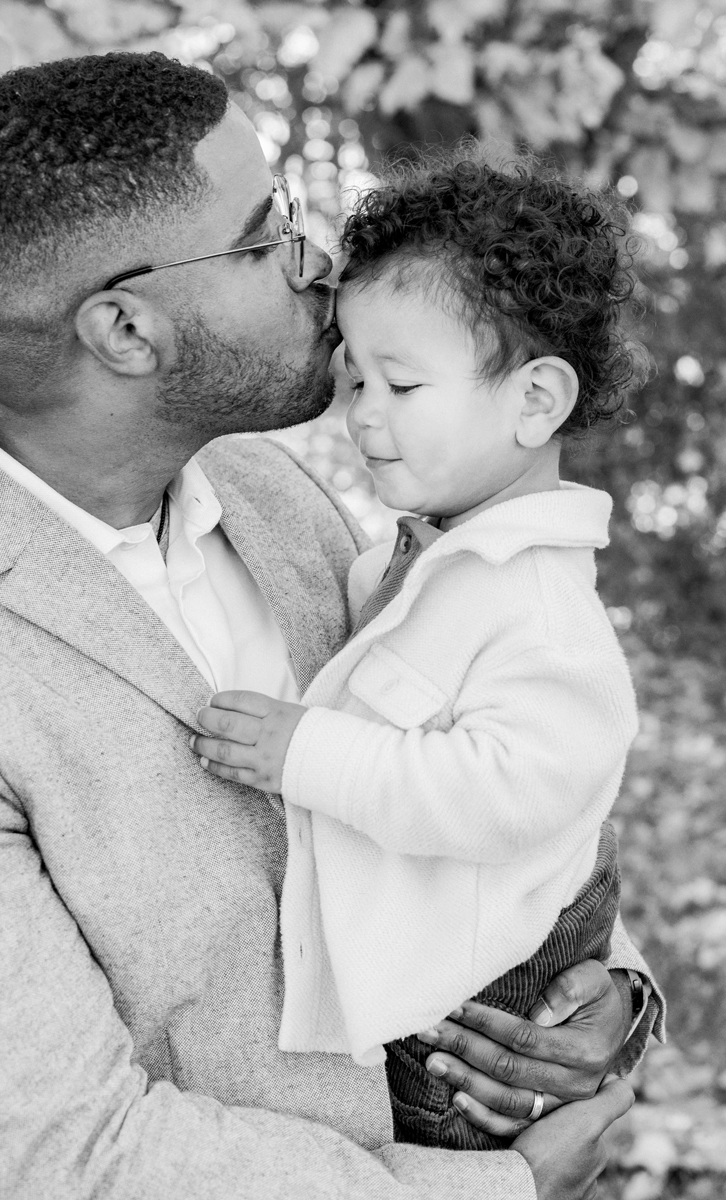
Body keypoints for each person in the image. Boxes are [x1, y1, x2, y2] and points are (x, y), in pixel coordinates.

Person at [0, 51, 655, 1200]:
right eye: (266, 238)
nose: (321, 263)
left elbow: (492, 749)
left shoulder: (269, 492)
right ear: (125, 328)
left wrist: (596, 996)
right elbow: (67, 1153)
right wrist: (501, 1190)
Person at [190, 148, 663, 1151]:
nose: (361, 416)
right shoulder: (416, 560)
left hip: (460, 1032)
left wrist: (307, 754)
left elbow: (511, 797)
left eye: (400, 385)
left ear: (536, 401)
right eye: (354, 378)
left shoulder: (535, 602)